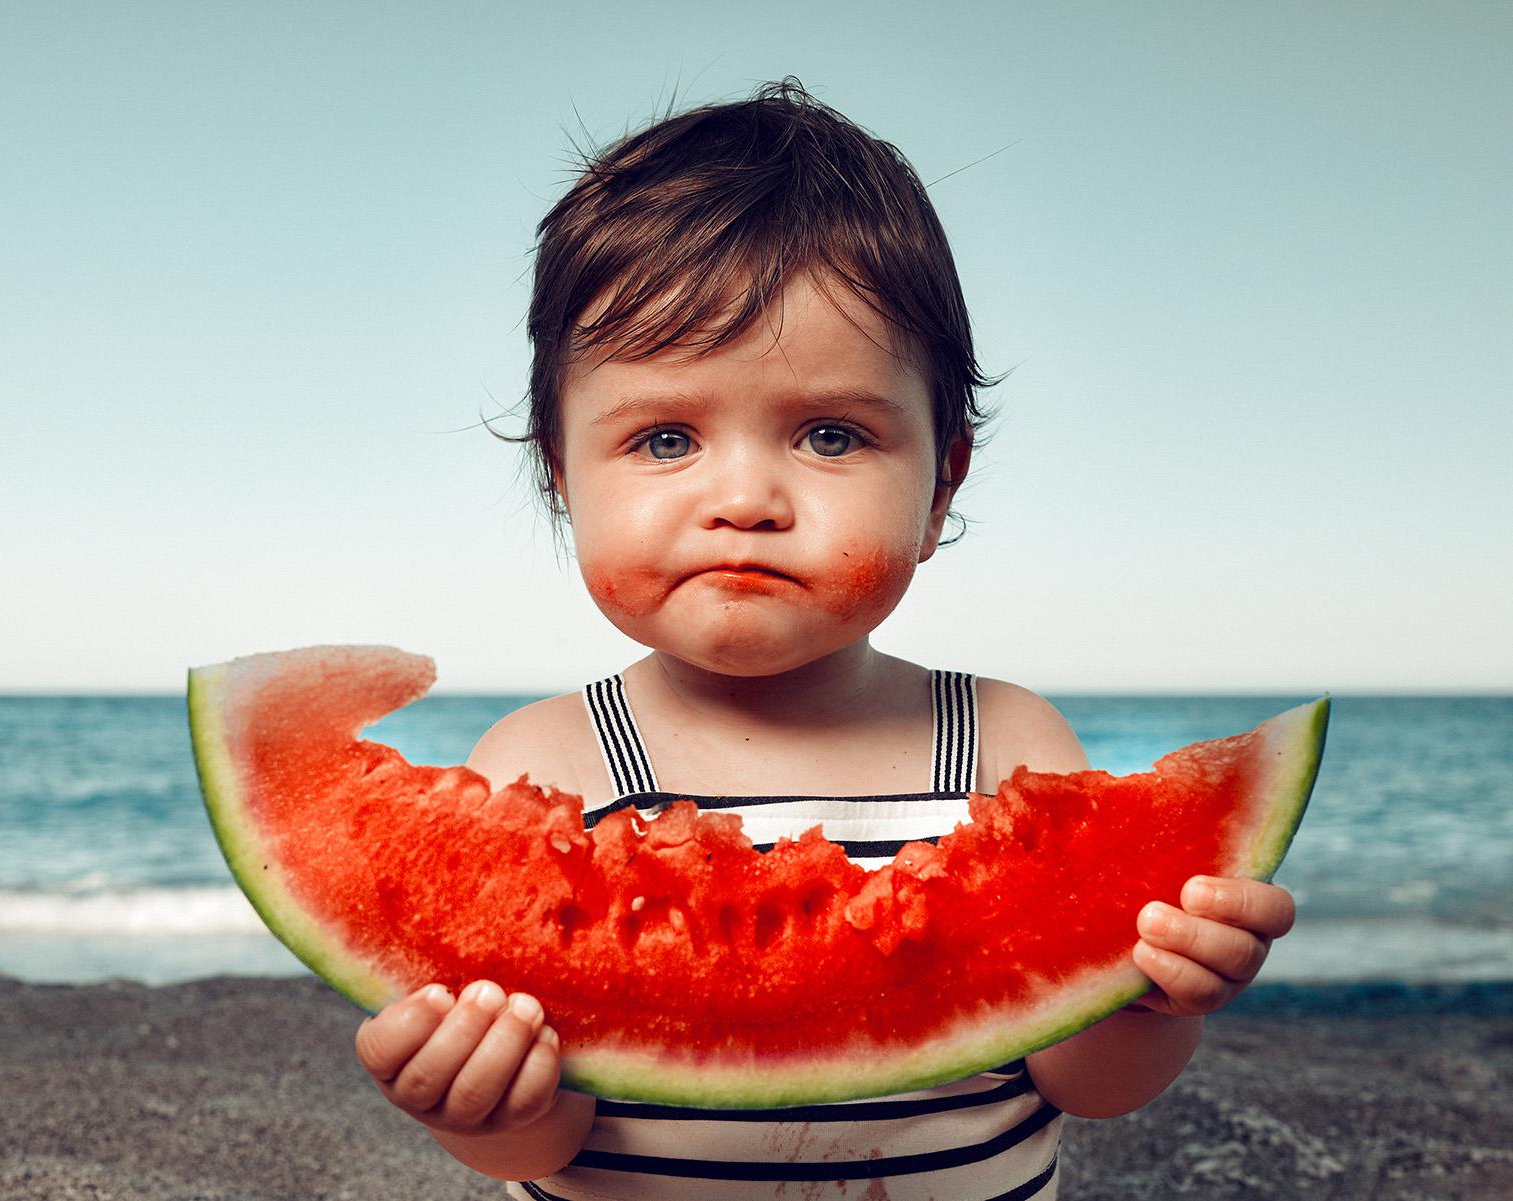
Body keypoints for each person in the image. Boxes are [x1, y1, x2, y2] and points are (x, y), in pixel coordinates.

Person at [352, 80, 1296, 1201]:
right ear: (562, 480)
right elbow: (542, 1146)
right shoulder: (540, 767)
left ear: (940, 484)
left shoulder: (1004, 742)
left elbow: (1084, 1080)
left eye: (831, 434)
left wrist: (1142, 1000)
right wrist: (482, 1104)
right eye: (664, 438)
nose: (746, 496)